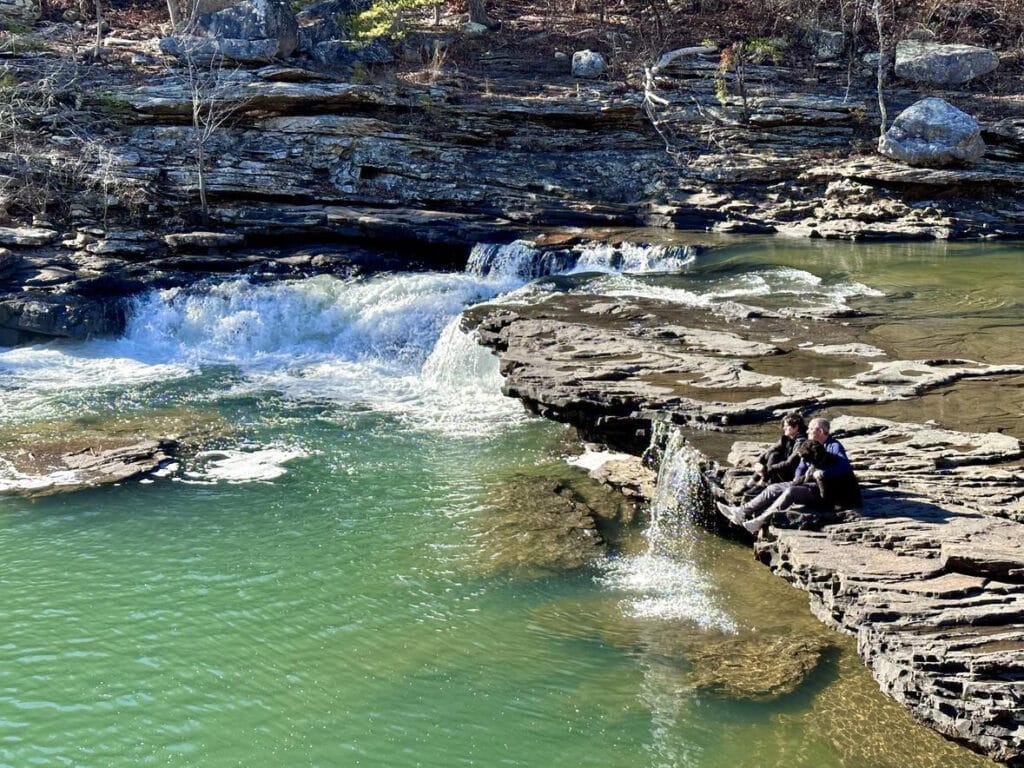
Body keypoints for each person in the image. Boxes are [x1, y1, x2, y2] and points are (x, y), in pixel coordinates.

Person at [717, 417, 860, 535]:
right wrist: (796, 479)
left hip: (825, 488)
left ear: (821, 431)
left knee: (791, 491)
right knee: (774, 488)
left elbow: (844, 466)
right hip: (807, 482)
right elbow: (801, 467)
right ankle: (741, 512)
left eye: (811, 428)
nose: (808, 431)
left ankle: (760, 521)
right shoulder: (809, 444)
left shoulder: (834, 446)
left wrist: (822, 473)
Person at [748, 413, 807, 489]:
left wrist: (766, 469)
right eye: (784, 426)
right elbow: (770, 450)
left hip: (793, 474)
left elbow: (790, 463)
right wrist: (759, 462)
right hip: (785, 470)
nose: (784, 428)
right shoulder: (788, 437)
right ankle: (751, 482)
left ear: (796, 427)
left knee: (774, 456)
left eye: (786, 426)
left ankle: (763, 483)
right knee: (773, 454)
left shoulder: (801, 442)